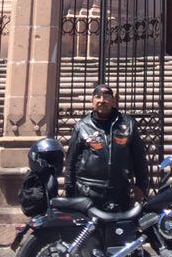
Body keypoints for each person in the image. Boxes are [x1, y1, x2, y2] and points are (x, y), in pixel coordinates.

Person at [64, 81, 149, 211]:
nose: (102, 100)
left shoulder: (128, 124)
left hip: (120, 192)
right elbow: (71, 161)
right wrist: (70, 191)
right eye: (97, 97)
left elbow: (139, 158)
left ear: (114, 101)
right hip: (88, 191)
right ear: (92, 101)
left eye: (106, 97)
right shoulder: (81, 126)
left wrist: (141, 187)